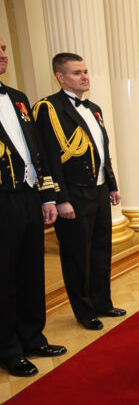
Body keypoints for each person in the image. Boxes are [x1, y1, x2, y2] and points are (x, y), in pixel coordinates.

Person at [33, 53, 126, 331]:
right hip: (72, 194)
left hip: (97, 191)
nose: (84, 76)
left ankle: (102, 302)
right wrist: (60, 198)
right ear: (60, 77)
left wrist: (111, 184)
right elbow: (48, 155)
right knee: (77, 255)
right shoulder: (48, 108)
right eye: (77, 73)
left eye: (85, 71)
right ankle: (84, 310)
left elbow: (101, 150)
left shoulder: (94, 107)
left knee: (100, 249)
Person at [0, 36, 67, 378]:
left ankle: (32, 335)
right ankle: (8, 348)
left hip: (27, 195)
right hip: (1, 198)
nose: (2, 56)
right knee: (4, 277)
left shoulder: (18, 99)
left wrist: (46, 195)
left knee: (31, 271)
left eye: (4, 49)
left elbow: (36, 151)